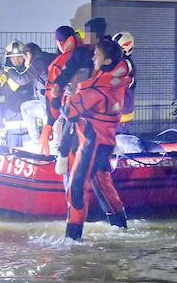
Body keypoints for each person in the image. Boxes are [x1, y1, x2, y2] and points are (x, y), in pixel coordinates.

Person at [60, 38, 132, 240]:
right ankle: (120, 229)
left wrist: (70, 92)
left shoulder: (96, 88)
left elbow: (69, 112)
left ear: (107, 61)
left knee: (76, 188)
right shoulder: (117, 80)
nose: (93, 57)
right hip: (105, 143)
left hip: (91, 143)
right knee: (103, 185)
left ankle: (72, 239)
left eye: (97, 55)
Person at [53, 18, 106, 173]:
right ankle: (64, 157)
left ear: (96, 36)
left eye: (87, 33)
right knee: (71, 125)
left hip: (97, 104)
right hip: (78, 100)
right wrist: (58, 84)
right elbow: (68, 70)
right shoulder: (80, 53)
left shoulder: (107, 52)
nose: (84, 37)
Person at [18, 43, 57, 148]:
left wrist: (10, 71)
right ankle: (36, 141)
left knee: (47, 119)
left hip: (48, 98)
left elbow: (22, 79)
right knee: (26, 108)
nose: (24, 61)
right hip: (49, 98)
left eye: (24, 57)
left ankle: (48, 145)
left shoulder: (39, 62)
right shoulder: (46, 58)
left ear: (29, 53)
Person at [112, 31, 136, 134]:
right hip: (121, 113)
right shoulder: (124, 63)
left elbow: (112, 82)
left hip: (121, 115)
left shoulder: (124, 66)